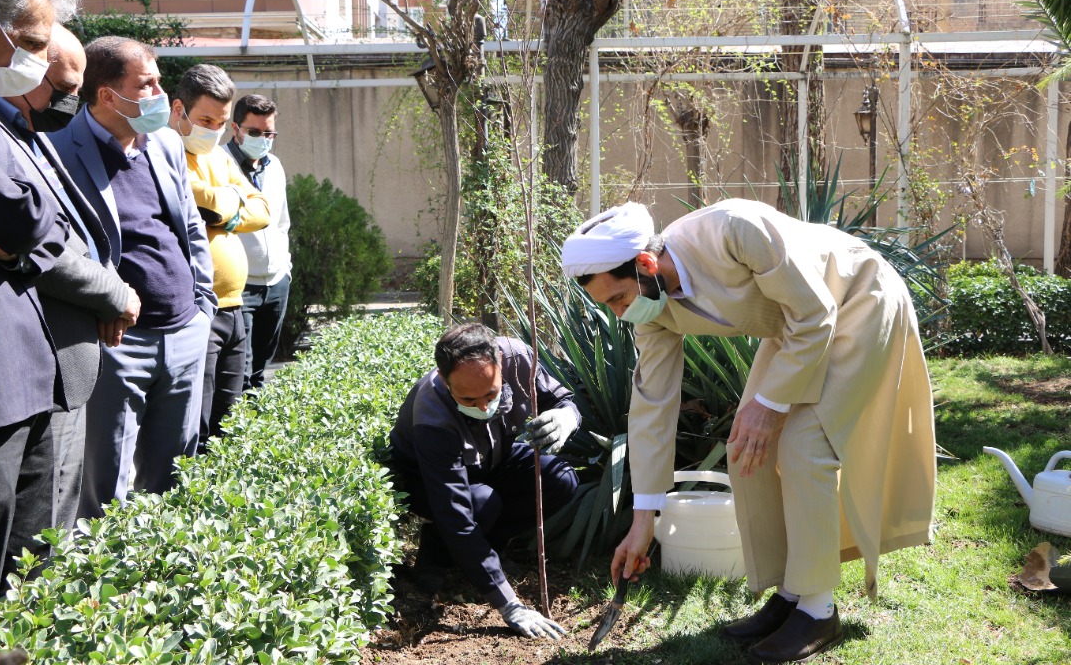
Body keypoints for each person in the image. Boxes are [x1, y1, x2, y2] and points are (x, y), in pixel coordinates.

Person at [561, 199, 936, 663]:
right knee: (746, 450)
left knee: (803, 446)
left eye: (618, 298)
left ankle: (818, 610)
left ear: (644, 264)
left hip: (856, 301)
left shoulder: (736, 231)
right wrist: (644, 523)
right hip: (796, 329)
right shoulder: (652, 308)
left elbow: (816, 313)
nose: (620, 313)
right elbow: (651, 407)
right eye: (609, 305)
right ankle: (791, 593)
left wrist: (769, 405)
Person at [47, 36, 217, 519]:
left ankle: (161, 582)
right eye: (148, 84)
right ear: (107, 96)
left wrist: (202, 305)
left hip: (185, 331)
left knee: (174, 475)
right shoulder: (57, 152)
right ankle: (112, 589)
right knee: (106, 483)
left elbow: (188, 226)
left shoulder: (164, 141)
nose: (162, 93)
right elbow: (61, 249)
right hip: (119, 344)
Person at [0, 23, 140, 533]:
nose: (69, 102)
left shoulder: (31, 130)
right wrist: (111, 292)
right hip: (28, 365)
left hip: (64, 362)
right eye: (65, 89)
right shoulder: (1, 131)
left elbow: (65, 229)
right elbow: (34, 240)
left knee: (49, 535)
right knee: (29, 543)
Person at [389, 323, 580, 640]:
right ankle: (433, 562)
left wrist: (566, 417)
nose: (482, 406)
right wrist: (510, 606)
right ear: (445, 378)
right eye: (467, 399)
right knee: (480, 504)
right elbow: (456, 515)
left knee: (559, 479)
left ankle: (486, 551)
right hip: (429, 478)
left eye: (491, 394)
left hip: (494, 456)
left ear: (501, 364)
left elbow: (563, 399)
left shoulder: (518, 358)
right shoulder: (432, 414)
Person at [0, 0, 76, 599]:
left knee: (25, 574)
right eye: (31, 43)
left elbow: (35, 222)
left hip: (24, 374)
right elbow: (23, 222)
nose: (41, 63)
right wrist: (18, 234)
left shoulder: (8, 121)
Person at [168, 65, 270, 451]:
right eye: (205, 119)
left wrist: (222, 214)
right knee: (198, 416)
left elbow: (260, 210)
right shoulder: (165, 149)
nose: (213, 129)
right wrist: (227, 201)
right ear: (179, 110)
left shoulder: (219, 157)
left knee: (231, 416)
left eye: (221, 122)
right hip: (197, 308)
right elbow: (194, 198)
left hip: (234, 308)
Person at [224, 94, 291, 391]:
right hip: (241, 286)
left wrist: (285, 269)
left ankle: (261, 429)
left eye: (269, 133)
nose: (263, 139)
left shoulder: (274, 165)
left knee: (262, 368)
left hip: (276, 282)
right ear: (235, 128)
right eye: (254, 132)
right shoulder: (219, 164)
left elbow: (281, 222)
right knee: (241, 371)